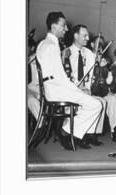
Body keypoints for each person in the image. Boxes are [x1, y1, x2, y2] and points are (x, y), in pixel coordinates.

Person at [36, 12, 103, 150]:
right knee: (96, 105)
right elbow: (60, 77)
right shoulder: (52, 45)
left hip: (52, 88)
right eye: (63, 25)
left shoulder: (44, 43)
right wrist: (78, 90)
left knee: (93, 103)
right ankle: (66, 131)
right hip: (56, 90)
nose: (66, 29)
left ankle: (70, 132)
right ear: (54, 27)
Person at [65, 25, 107, 146]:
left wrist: (102, 65)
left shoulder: (88, 53)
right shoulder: (66, 52)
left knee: (101, 102)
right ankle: (77, 134)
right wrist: (77, 87)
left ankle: (90, 134)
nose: (88, 38)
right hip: (72, 90)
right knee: (95, 103)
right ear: (76, 36)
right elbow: (65, 76)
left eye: (88, 35)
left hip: (86, 90)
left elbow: (97, 71)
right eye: (85, 35)